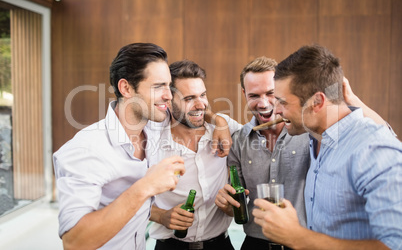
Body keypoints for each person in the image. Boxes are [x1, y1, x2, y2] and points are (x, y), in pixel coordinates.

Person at [252, 44, 402, 250]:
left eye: (283, 102)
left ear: (317, 101)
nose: (276, 110)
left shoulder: (374, 150)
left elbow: (395, 245)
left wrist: (298, 237)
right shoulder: (315, 138)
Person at [53, 43, 186, 249]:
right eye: (158, 86)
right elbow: (74, 242)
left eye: (169, 85)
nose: (169, 95)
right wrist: (146, 186)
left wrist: (220, 124)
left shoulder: (154, 124)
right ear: (126, 88)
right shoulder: (85, 150)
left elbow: (195, 110)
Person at [215, 56, 310, 250]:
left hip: (303, 243)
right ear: (244, 94)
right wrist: (228, 205)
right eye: (254, 96)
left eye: (271, 93)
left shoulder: (310, 134)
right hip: (254, 244)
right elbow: (236, 208)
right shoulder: (239, 140)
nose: (264, 104)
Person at [147, 60, 240, 250]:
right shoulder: (150, 139)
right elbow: (127, 194)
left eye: (203, 95)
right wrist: (160, 216)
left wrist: (219, 120)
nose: (201, 104)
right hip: (170, 246)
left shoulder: (224, 126)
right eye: (189, 98)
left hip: (221, 245)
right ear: (168, 100)